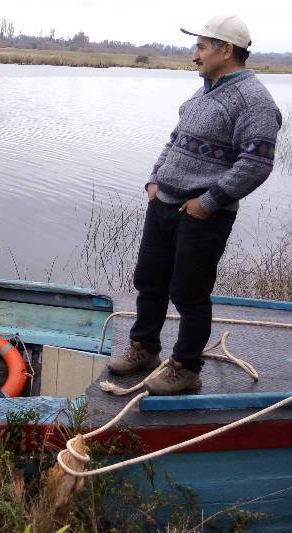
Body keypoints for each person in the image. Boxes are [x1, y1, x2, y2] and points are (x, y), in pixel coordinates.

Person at [107, 15, 282, 395]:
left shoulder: (255, 101)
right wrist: (155, 179)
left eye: (201, 47)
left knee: (189, 292)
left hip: (204, 214)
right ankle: (145, 349)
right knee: (149, 281)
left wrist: (209, 202)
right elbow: (175, 140)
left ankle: (186, 367)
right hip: (164, 204)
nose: (194, 56)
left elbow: (256, 164)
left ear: (226, 49)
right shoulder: (203, 92)